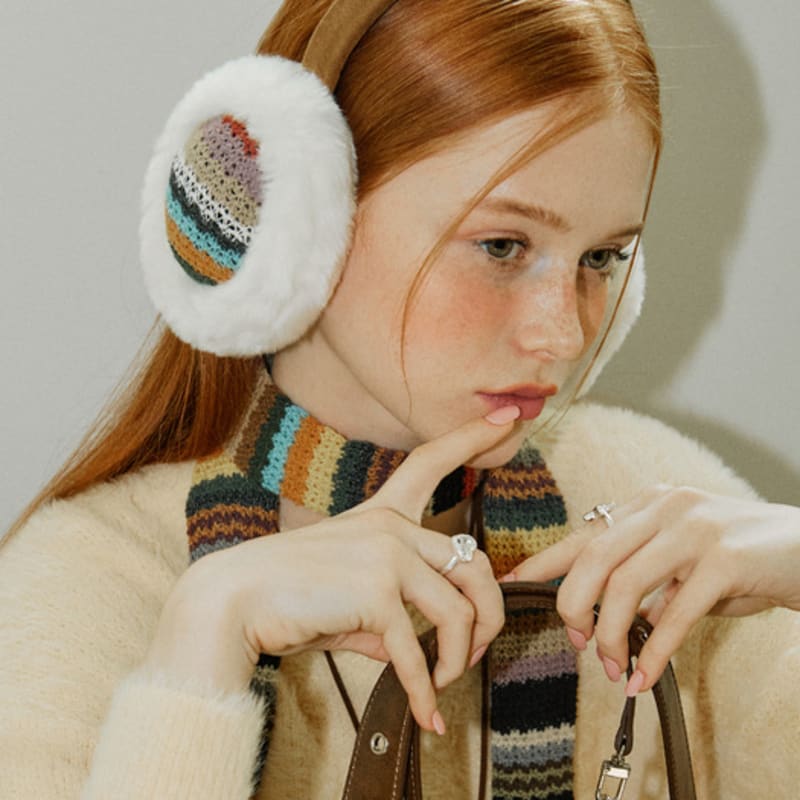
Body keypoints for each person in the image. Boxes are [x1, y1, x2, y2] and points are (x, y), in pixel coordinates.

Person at [1, 0, 798, 798]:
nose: (563, 334)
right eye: (502, 245)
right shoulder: (88, 581)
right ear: (299, 227)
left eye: (602, 257)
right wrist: (206, 643)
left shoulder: (641, 503)